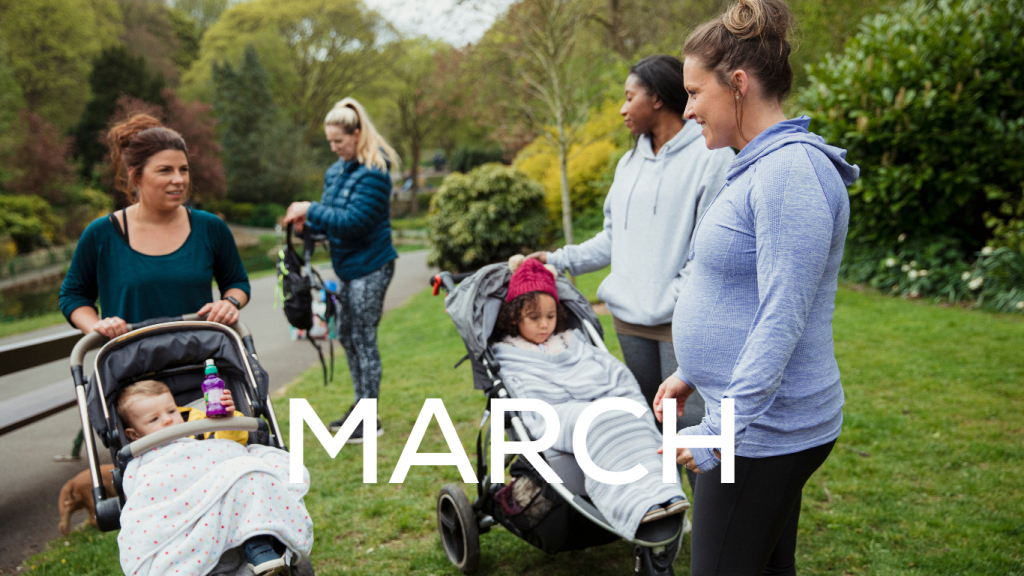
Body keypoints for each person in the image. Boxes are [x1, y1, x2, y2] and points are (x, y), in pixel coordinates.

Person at [652, 0, 860, 573]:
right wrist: (691, 372)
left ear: (738, 85)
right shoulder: (757, 165)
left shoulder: (790, 174)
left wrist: (718, 434)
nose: (688, 109)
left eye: (695, 93)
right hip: (751, 422)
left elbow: (780, 317)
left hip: (765, 433)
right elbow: (736, 291)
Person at [530, 54, 733, 489]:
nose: (623, 109)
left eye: (629, 97)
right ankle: (664, 518)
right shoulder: (628, 165)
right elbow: (610, 240)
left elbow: (711, 249)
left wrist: (674, 297)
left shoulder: (710, 158)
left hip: (682, 323)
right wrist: (556, 260)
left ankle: (715, 538)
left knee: (695, 436)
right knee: (652, 431)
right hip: (629, 323)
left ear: (657, 98)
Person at [490, 257, 687, 540]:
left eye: (550, 316)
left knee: (629, 417)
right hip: (555, 412)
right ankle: (632, 504)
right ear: (513, 317)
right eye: (534, 318)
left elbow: (614, 373)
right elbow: (529, 402)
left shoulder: (573, 343)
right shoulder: (509, 356)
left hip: (598, 403)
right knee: (597, 420)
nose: (545, 324)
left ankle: (662, 494)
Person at [59, 114, 250, 338]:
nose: (179, 179)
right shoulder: (101, 234)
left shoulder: (210, 227)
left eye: (184, 169)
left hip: (202, 363)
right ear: (135, 175)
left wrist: (230, 302)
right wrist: (96, 327)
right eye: (165, 170)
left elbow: (237, 281)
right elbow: (73, 295)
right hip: (132, 366)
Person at [283, 97, 400, 441]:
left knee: (363, 338)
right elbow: (333, 223)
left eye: (340, 141)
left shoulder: (375, 171)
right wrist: (309, 226)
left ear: (358, 133)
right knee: (347, 335)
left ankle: (369, 418)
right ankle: (360, 405)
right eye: (330, 142)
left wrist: (311, 208)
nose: (335, 148)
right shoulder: (335, 172)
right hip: (348, 268)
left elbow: (356, 222)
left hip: (373, 266)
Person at [116, 380, 312, 575]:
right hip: (177, 507)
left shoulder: (198, 435)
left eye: (172, 411)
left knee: (248, 472)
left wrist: (228, 418)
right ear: (134, 434)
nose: (167, 420)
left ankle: (257, 541)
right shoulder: (142, 464)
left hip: (219, 489)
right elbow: (144, 495)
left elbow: (228, 446)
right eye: (154, 419)